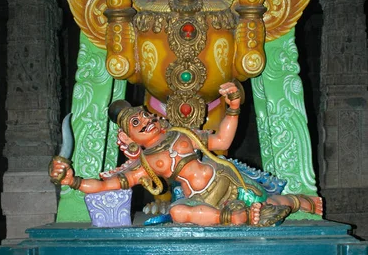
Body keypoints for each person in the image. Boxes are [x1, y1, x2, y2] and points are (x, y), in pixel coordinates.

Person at [49, 82, 322, 227]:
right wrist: (72, 181)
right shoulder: (145, 163)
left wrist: (233, 107)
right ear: (128, 138)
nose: (145, 120)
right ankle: (233, 218)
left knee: (264, 199)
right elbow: (110, 184)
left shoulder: (183, 134)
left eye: (144, 115)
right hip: (201, 197)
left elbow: (222, 138)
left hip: (227, 178)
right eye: (136, 123)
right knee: (178, 212)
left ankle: (299, 202)